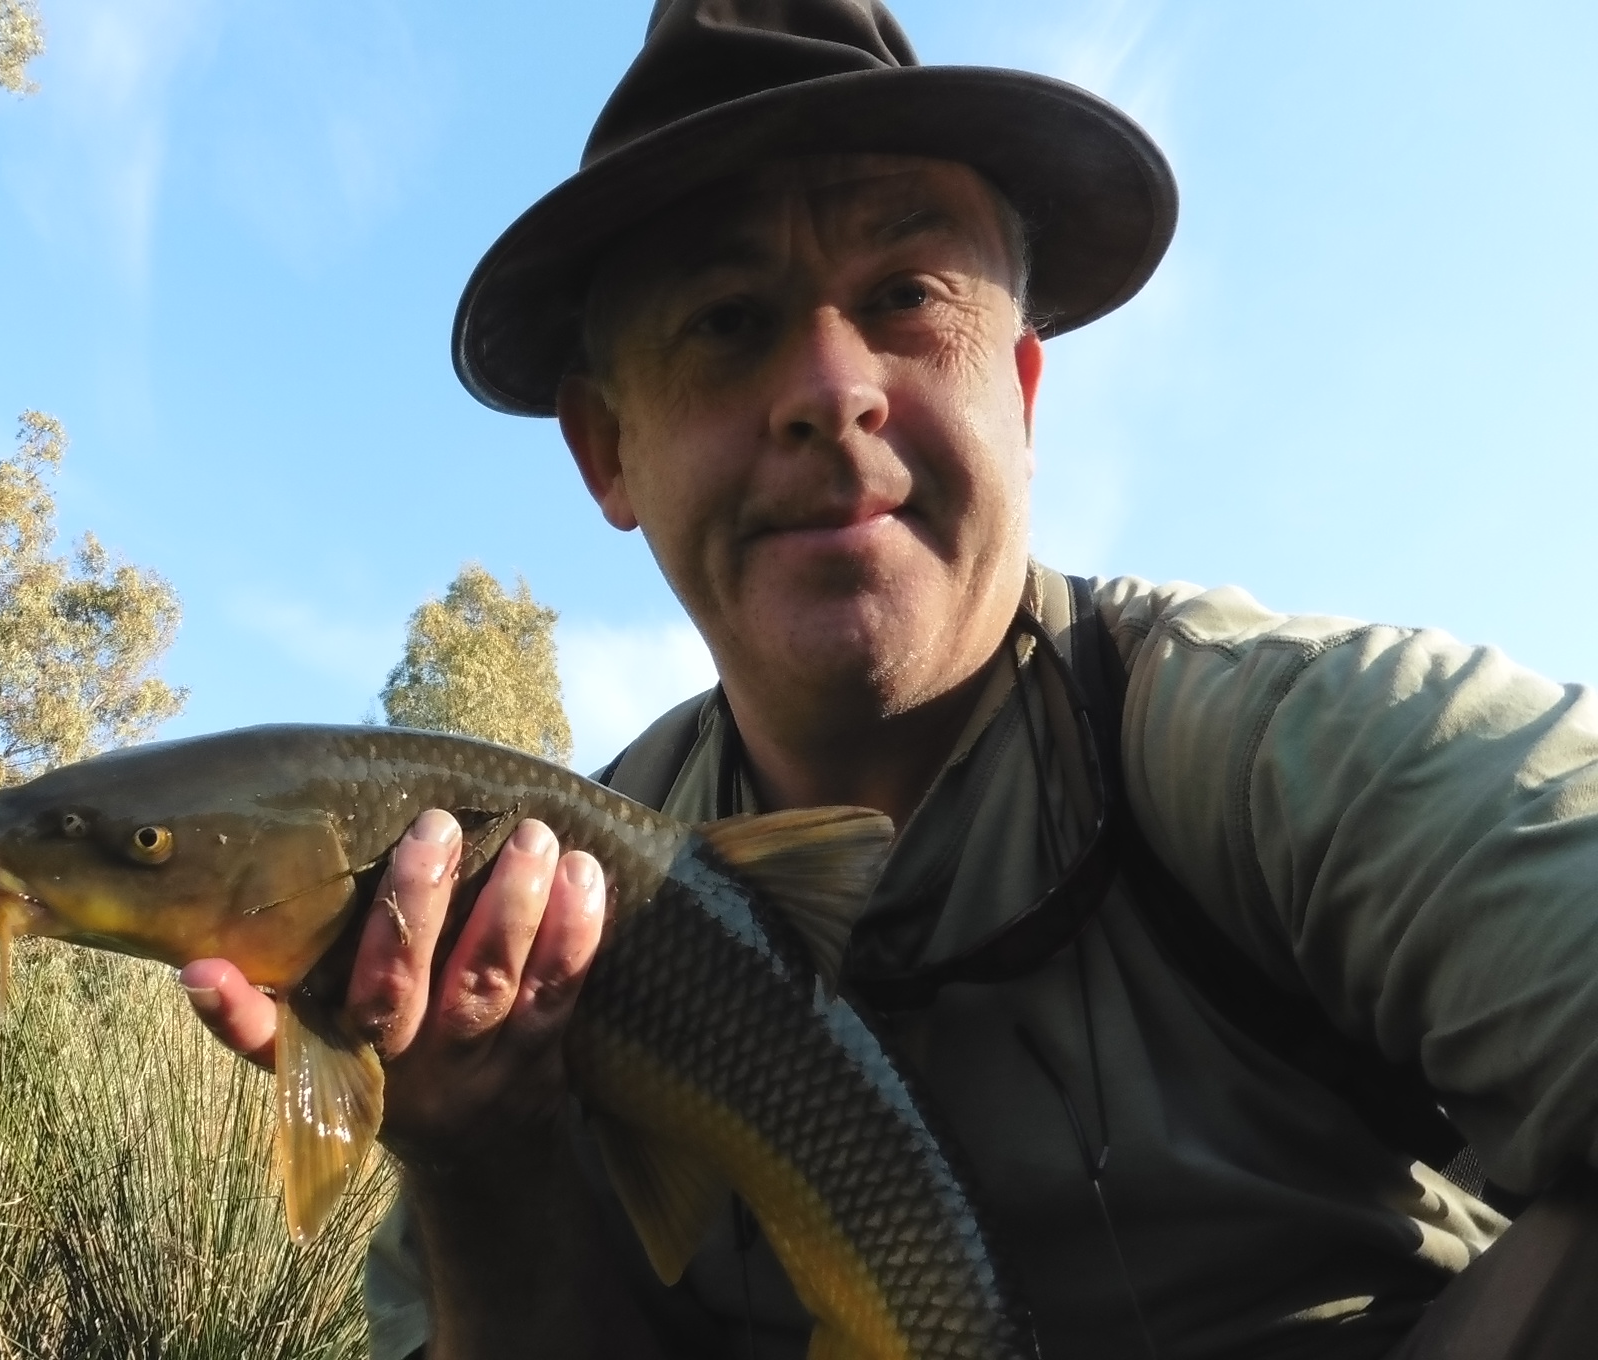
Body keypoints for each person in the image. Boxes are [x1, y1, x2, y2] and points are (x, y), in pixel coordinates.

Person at [178, 3, 1598, 1356]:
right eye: (727, 320)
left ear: (1021, 394)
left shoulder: (1300, 743)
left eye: (907, 296)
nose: (829, 387)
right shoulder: (523, 910)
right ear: (609, 450)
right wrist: (482, 1154)